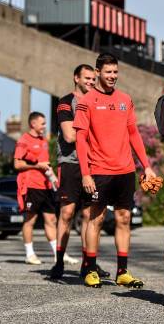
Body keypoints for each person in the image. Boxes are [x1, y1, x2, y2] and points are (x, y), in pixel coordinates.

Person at [74, 53, 157, 288]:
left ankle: (122, 271)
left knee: (124, 218)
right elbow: (80, 139)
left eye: (115, 72)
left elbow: (134, 134)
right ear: (98, 72)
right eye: (108, 72)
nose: (112, 76)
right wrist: (85, 173)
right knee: (96, 219)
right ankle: (90, 269)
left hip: (125, 170)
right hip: (99, 170)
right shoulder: (87, 101)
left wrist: (147, 166)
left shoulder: (125, 99)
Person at [50, 64, 111, 280]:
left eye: (94, 78)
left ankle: (89, 264)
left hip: (94, 164)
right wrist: (97, 135)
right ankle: (58, 262)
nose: (91, 82)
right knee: (66, 214)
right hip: (71, 163)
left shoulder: (99, 101)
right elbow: (69, 136)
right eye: (87, 78)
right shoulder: (66, 102)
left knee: (91, 215)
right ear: (76, 78)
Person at [14, 112, 58, 265]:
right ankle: (29, 254)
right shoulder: (24, 140)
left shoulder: (43, 140)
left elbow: (45, 163)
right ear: (33, 124)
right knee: (30, 220)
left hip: (45, 185)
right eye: (43, 123)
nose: (45, 126)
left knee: (51, 219)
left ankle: (58, 254)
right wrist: (36, 166)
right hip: (31, 185)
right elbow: (17, 164)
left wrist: (52, 177)